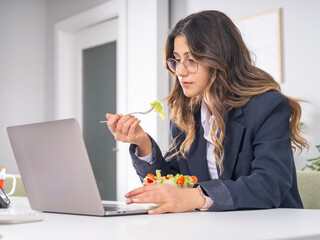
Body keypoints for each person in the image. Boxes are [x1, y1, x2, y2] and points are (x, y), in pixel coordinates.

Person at [105, 10, 308, 214]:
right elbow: (176, 182)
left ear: (220, 58)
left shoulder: (267, 106)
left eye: (191, 60)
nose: (180, 71)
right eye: (176, 60)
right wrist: (143, 144)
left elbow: (269, 184)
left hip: (271, 227)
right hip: (212, 228)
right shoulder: (186, 115)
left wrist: (198, 196)